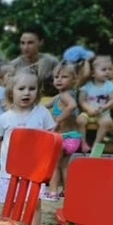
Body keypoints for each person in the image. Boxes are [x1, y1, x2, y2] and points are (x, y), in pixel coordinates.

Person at [0, 67, 55, 204]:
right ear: (11, 92)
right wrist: (7, 155)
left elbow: (51, 137)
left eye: (32, 88)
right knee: (11, 205)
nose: (27, 92)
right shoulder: (3, 119)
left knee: (34, 205)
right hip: (9, 174)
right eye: (21, 88)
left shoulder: (42, 113)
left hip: (34, 172)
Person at [43, 61, 81, 200]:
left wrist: (57, 120)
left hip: (62, 137)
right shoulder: (62, 95)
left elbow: (71, 106)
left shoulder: (65, 95)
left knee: (54, 166)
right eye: (56, 76)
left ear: (74, 80)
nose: (59, 79)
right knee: (64, 166)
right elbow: (43, 106)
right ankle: (67, 191)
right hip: (74, 138)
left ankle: (52, 193)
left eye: (64, 76)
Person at [76, 55, 113, 153]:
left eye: (109, 69)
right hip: (88, 112)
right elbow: (82, 100)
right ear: (93, 73)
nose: (108, 72)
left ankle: (96, 145)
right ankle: (83, 143)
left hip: (102, 113)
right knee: (80, 120)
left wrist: (105, 107)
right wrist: (88, 109)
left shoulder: (110, 86)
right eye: (103, 69)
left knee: (106, 122)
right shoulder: (86, 87)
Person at [9, 23, 58, 97]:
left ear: (40, 42)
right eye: (22, 43)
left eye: (30, 43)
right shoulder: (13, 66)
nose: (25, 47)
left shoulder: (52, 62)